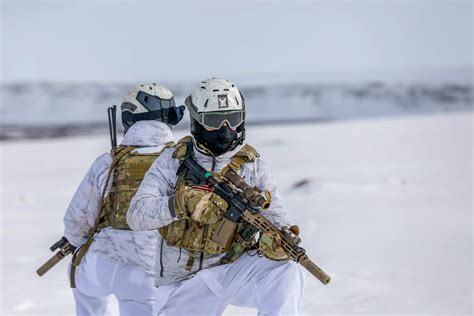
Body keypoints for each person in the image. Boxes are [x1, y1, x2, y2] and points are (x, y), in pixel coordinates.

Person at [127, 78, 304, 316]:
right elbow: (136, 215)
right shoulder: (173, 160)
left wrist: (280, 237)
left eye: (232, 120)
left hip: (232, 270)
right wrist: (179, 203)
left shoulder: (251, 163)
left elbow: (275, 213)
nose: (225, 129)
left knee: (286, 270)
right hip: (182, 282)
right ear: (197, 121)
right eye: (213, 122)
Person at [63, 83, 185, 316]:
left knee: (82, 280)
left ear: (129, 117)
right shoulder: (179, 162)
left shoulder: (107, 162)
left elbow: (76, 223)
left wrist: (75, 240)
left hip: (99, 265)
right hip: (147, 272)